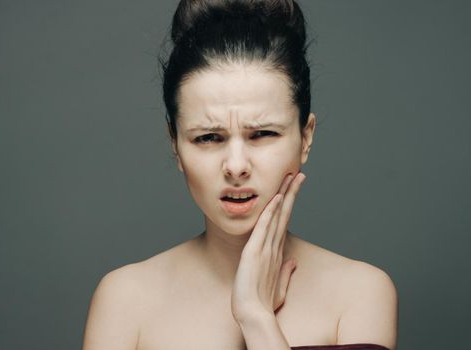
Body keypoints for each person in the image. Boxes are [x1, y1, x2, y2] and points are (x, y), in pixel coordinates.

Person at [82, 1, 398, 349]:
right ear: (175, 144)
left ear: (305, 137)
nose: (235, 166)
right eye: (208, 138)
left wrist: (256, 316)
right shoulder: (125, 302)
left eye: (262, 134)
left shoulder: (359, 294)